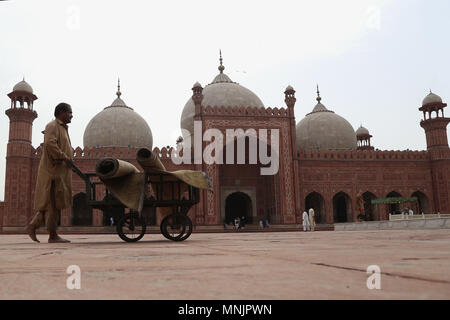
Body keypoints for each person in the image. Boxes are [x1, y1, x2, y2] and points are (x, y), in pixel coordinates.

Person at [25, 103, 74, 243]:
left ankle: (33, 226)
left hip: (59, 172)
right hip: (52, 172)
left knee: (52, 203)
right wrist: (65, 157)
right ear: (61, 113)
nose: (71, 115)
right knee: (52, 204)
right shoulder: (52, 126)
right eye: (69, 112)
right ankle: (52, 235)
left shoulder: (62, 128)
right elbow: (50, 145)